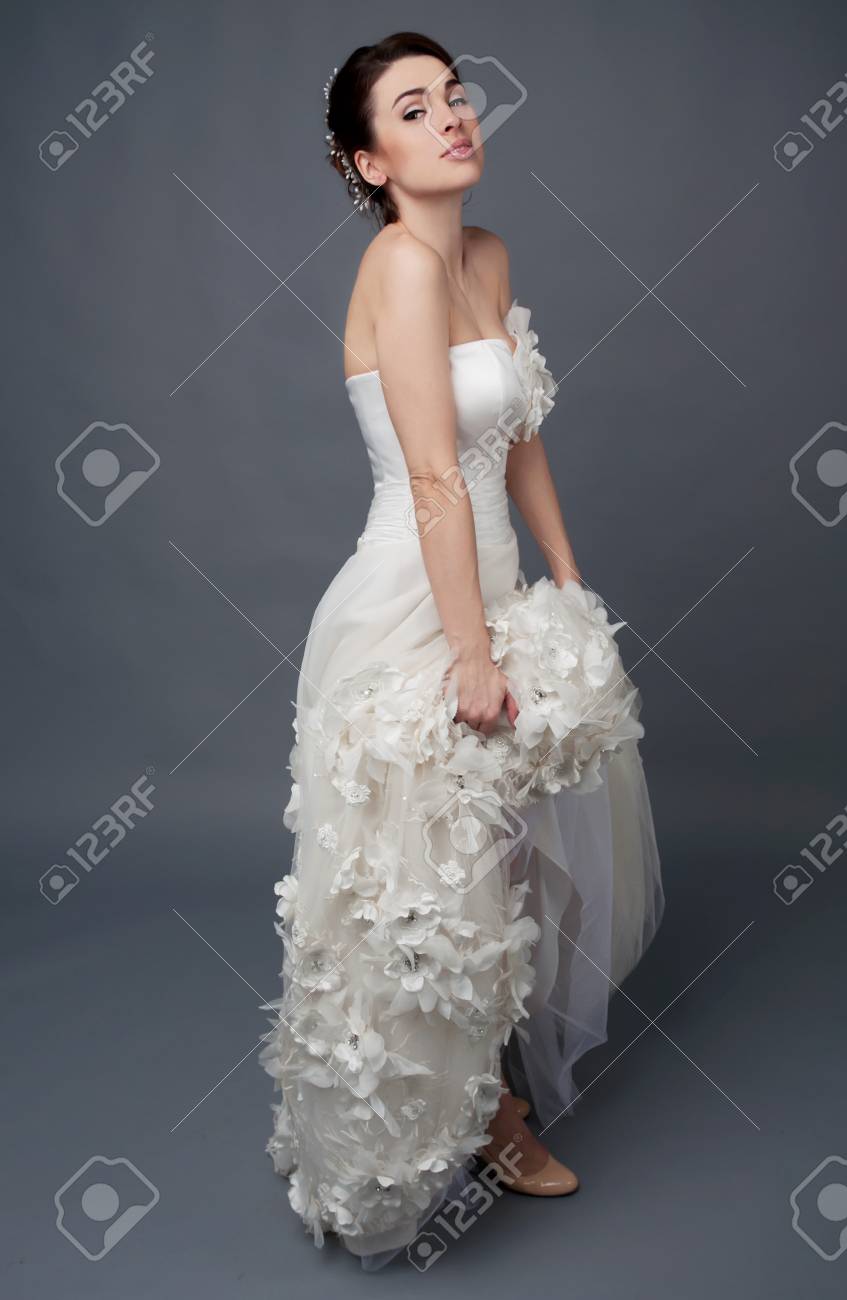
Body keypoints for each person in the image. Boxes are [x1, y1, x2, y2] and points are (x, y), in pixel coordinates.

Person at [258, 30, 665, 1270]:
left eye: (455, 96)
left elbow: (516, 433)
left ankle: (486, 1101)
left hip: (491, 584)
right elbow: (435, 474)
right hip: (409, 603)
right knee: (423, 885)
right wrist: (472, 652)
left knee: (507, 866)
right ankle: (447, 1124)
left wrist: (568, 571)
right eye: (413, 108)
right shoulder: (397, 265)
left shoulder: (485, 253)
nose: (450, 119)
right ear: (365, 158)